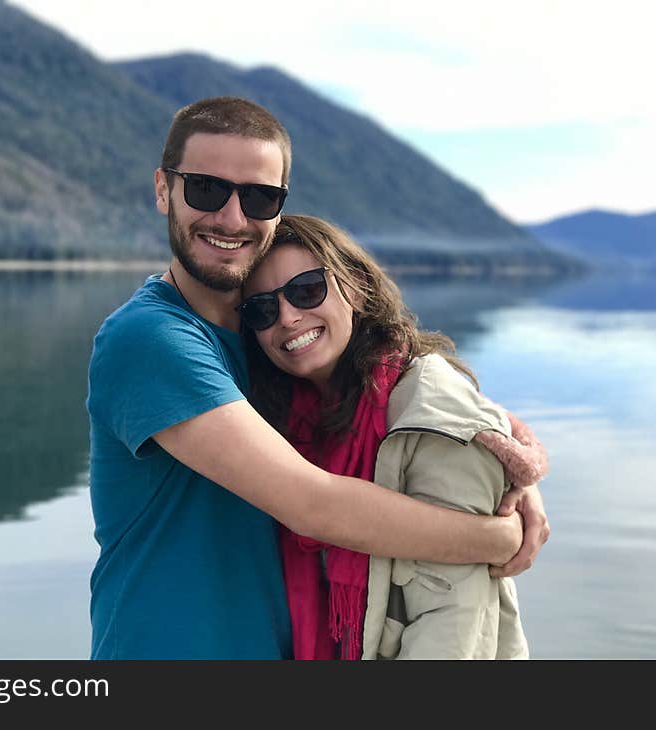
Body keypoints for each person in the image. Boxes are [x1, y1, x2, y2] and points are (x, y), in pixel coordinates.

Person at [86, 96, 550, 659]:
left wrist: (505, 473)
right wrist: (495, 536)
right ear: (163, 189)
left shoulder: (264, 343)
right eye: (206, 189)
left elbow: (402, 405)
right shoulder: (151, 340)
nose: (232, 217)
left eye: (259, 196)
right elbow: (314, 505)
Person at [240, 214, 549, 659]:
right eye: (262, 309)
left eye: (307, 290)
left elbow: (452, 626)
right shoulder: (289, 421)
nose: (287, 317)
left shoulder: (436, 418)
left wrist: (505, 530)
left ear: (356, 285)